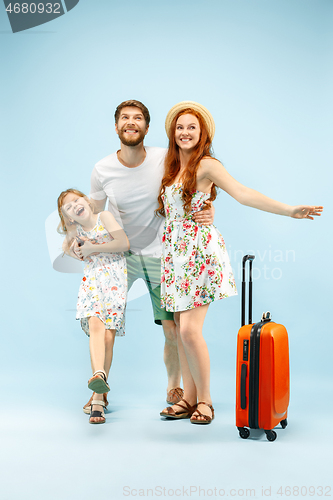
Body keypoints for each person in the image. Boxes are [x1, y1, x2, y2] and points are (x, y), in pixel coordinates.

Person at [157, 101, 323, 424]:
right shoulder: (171, 167)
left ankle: (205, 401)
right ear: (172, 133)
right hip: (174, 256)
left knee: (190, 330)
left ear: (202, 132)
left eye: (192, 127)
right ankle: (188, 399)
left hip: (198, 254)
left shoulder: (207, 165)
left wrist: (289, 210)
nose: (185, 132)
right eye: (180, 127)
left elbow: (243, 193)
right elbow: (172, 210)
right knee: (179, 329)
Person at [83, 100, 214, 411]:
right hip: (120, 255)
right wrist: (81, 244)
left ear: (146, 127)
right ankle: (98, 394)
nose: (131, 122)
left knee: (172, 328)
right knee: (105, 323)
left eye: (138, 118)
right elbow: (94, 214)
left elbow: (195, 183)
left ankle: (175, 386)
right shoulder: (102, 169)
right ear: (116, 127)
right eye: (125, 118)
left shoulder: (162, 158)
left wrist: (208, 208)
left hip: (162, 254)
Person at [58, 188, 129, 424]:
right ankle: (99, 380)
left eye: (77, 200)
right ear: (68, 217)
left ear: (87, 202)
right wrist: (75, 241)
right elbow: (70, 249)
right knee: (96, 326)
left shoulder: (104, 217)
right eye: (68, 207)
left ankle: (99, 396)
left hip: (115, 281)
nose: (75, 205)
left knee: (108, 338)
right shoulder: (76, 232)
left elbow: (123, 243)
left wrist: (92, 248)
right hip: (93, 282)